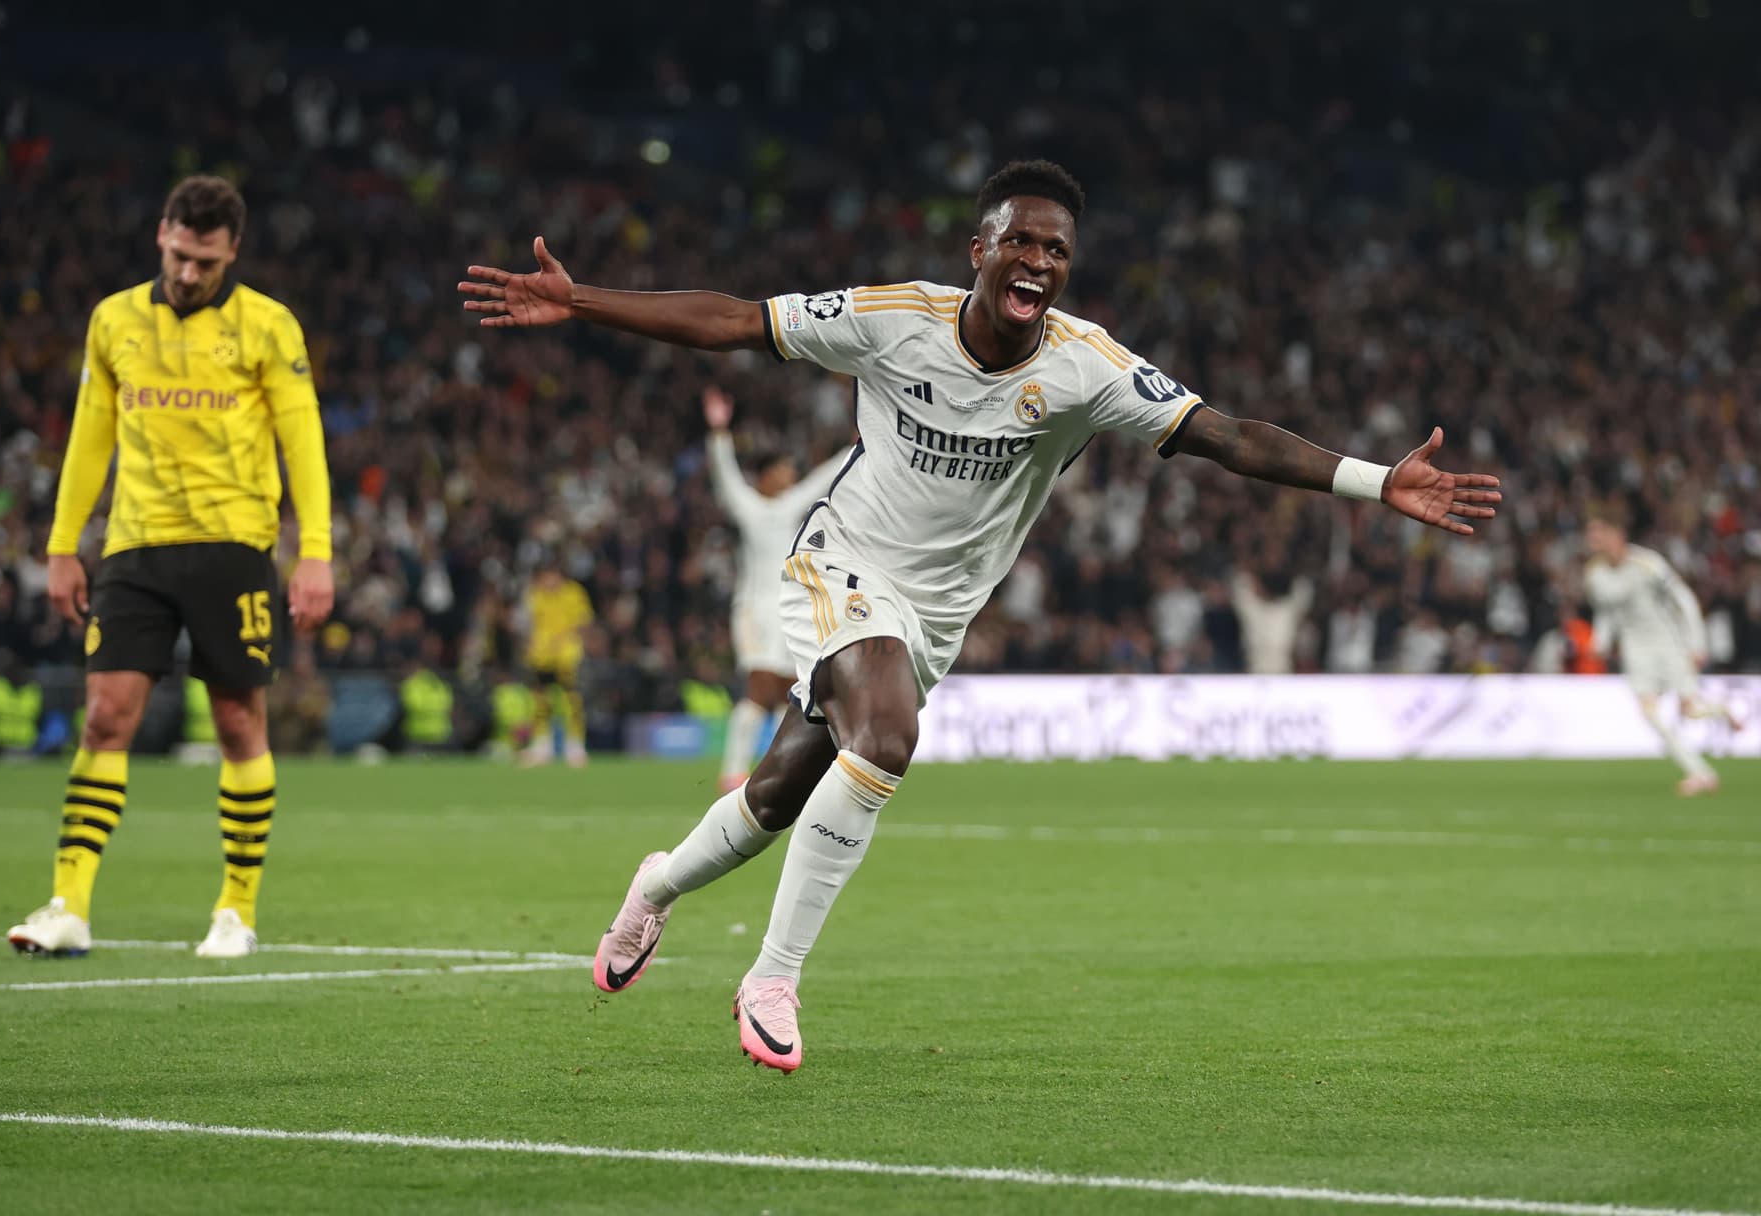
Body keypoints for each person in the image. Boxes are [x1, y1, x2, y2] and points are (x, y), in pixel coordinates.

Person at [459, 159, 1501, 1071]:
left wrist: (1375, 482)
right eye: (1022, 241)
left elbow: (1226, 435)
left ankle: (658, 884)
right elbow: (737, 321)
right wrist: (583, 302)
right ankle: (773, 977)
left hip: (937, 620)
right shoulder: (891, 319)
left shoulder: (1086, 367)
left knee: (778, 793)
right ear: (981, 249)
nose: (1040, 262)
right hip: (842, 566)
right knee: (887, 735)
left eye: (1057, 248)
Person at [6, 175, 334, 961]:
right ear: (162, 234)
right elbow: (90, 433)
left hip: (234, 546)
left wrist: (315, 551)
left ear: (233, 253)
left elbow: (303, 441)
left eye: (208, 262)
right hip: (136, 545)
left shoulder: (268, 325)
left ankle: (235, 911)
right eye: (182, 255)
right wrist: (61, 544)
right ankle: (69, 906)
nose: (190, 274)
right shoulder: (113, 320)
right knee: (105, 719)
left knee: (236, 724)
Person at [703, 384, 852, 791]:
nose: (790, 475)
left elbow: (824, 479)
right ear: (766, 476)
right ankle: (733, 772)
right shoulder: (750, 507)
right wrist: (719, 433)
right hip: (754, 610)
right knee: (759, 686)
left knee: (790, 692)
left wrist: (858, 446)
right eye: (783, 469)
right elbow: (725, 475)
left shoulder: (791, 506)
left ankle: (780, 769)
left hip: (792, 609)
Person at [1583, 517, 1741, 795]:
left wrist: (1697, 643)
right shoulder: (1596, 575)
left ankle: (1723, 709)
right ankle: (1700, 773)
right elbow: (1606, 612)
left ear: (1617, 534)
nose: (1593, 541)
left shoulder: (1647, 563)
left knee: (1690, 711)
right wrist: (1601, 641)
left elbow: (1684, 598)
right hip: (1635, 649)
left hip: (1668, 642)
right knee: (1649, 712)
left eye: (1599, 534)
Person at [520, 560, 593, 767]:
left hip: (566, 655)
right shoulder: (535, 594)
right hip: (541, 656)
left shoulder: (573, 593)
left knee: (571, 701)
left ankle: (575, 747)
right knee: (540, 701)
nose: (548, 580)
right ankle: (542, 747)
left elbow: (582, 623)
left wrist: (562, 642)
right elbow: (529, 625)